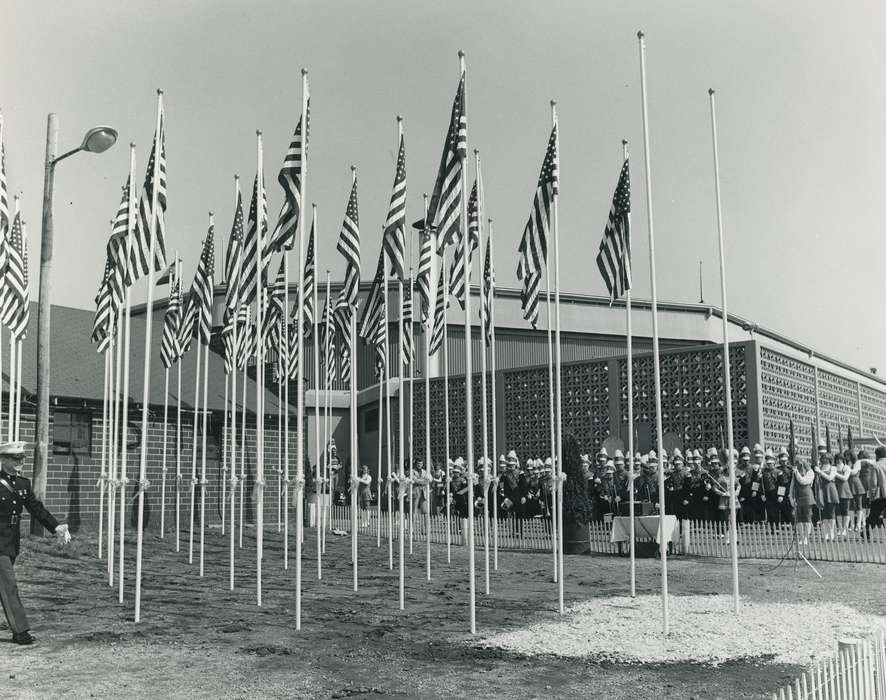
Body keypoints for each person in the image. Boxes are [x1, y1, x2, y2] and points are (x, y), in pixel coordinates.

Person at [0, 441, 71, 645]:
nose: (21, 461)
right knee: (8, 585)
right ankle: (20, 631)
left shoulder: (23, 483)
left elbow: (36, 508)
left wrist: (55, 527)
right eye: (16, 458)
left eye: (22, 458)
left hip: (11, 541)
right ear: (3, 460)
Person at [814, 453, 838, 541]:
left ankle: (831, 532)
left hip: (830, 491)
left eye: (826, 458)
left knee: (831, 513)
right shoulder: (819, 467)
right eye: (823, 458)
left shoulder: (833, 468)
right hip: (822, 490)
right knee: (824, 514)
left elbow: (830, 478)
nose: (824, 459)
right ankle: (825, 533)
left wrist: (820, 472)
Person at [792, 460, 815, 545]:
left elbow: (803, 481)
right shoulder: (795, 473)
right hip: (799, 497)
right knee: (799, 519)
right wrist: (792, 497)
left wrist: (796, 472)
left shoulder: (810, 473)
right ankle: (801, 537)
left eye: (802, 465)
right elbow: (792, 486)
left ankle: (806, 537)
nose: (801, 467)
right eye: (799, 465)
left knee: (807, 518)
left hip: (807, 497)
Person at [833, 453, 853, 537]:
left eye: (840, 459)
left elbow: (845, 478)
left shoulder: (846, 467)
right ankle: (840, 529)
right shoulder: (833, 467)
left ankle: (845, 529)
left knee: (845, 510)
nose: (838, 460)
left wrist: (835, 474)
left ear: (843, 459)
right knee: (838, 510)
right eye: (837, 458)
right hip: (835, 489)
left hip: (844, 490)